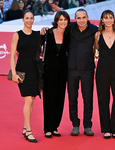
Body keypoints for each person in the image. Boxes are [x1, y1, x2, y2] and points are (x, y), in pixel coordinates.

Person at [95, 10, 115, 139]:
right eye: (106, 18)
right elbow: (96, 51)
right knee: (103, 100)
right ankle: (106, 129)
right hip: (102, 71)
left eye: (111, 18)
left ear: (114, 19)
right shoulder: (97, 35)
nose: (108, 20)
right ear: (102, 20)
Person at [10, 10, 41, 143]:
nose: (29, 20)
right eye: (27, 18)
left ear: (34, 20)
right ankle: (28, 131)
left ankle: (24, 127)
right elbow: (12, 54)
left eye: (31, 18)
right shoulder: (17, 35)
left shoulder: (37, 34)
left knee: (31, 100)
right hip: (22, 71)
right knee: (28, 100)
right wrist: (14, 73)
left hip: (34, 70)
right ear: (23, 19)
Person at [67, 9, 98, 136]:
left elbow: (107, 38)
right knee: (72, 98)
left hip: (87, 69)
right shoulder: (70, 28)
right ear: (75, 19)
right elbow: (56, 29)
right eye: (78, 18)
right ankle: (75, 124)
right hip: (71, 69)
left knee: (88, 98)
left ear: (87, 17)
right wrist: (45, 30)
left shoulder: (94, 30)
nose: (81, 20)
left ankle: (87, 125)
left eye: (83, 17)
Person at [41, 10, 70, 138]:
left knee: (59, 100)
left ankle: (54, 127)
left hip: (63, 73)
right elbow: (34, 46)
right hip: (48, 73)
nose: (63, 22)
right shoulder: (47, 33)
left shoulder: (69, 35)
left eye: (65, 20)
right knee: (49, 100)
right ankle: (48, 128)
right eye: (61, 20)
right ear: (56, 21)